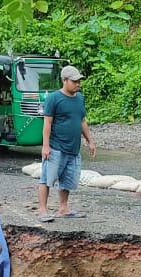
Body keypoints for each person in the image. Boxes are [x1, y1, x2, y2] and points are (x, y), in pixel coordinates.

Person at [38, 65, 96, 223]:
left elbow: (82, 120)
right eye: (74, 81)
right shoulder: (54, 98)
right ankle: (43, 210)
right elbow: (47, 123)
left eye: (79, 81)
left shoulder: (79, 98)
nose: (78, 84)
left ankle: (63, 208)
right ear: (64, 80)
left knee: (68, 179)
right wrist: (45, 146)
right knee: (47, 178)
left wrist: (90, 140)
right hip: (56, 147)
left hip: (73, 148)